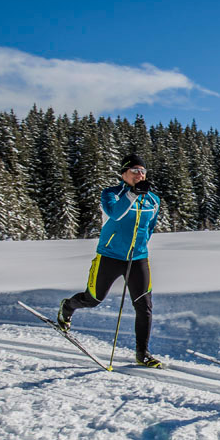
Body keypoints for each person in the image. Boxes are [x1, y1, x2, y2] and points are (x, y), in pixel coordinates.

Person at [58, 153, 164, 368]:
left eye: (143, 171)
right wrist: (132, 195)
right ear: (123, 173)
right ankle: (67, 307)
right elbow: (115, 214)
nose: (140, 175)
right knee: (93, 299)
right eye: (135, 171)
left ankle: (142, 353)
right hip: (109, 256)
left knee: (144, 306)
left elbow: (150, 227)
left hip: (138, 259)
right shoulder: (111, 194)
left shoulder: (153, 200)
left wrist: (140, 247)